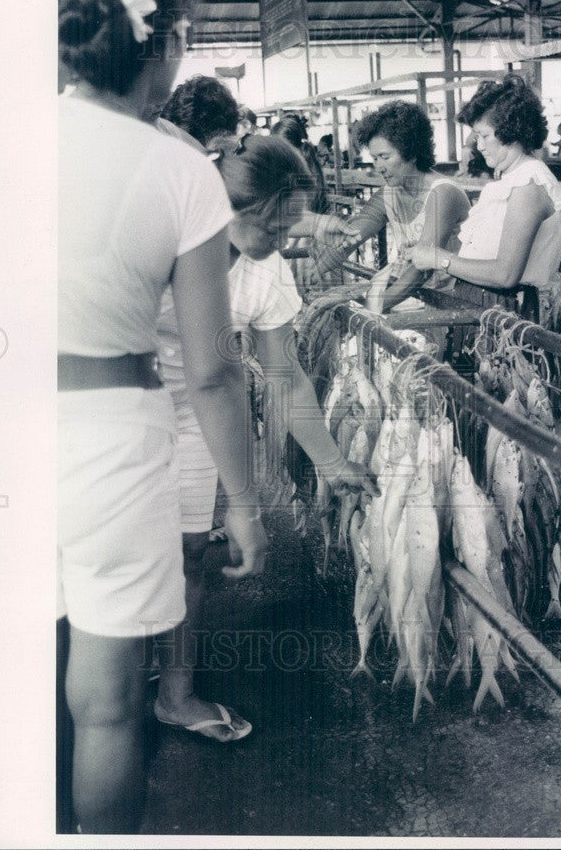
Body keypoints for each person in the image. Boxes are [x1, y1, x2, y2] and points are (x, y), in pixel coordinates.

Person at [57, 0, 264, 834]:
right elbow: (213, 369)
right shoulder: (182, 170)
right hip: (109, 435)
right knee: (104, 703)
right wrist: (247, 503)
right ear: (169, 41)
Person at [153, 133, 377, 738]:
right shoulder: (158, 231)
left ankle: (175, 692)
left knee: (191, 551)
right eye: (274, 229)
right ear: (234, 207)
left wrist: (331, 463)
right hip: (127, 401)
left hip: (205, 412)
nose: (283, 244)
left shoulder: (265, 268)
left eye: (289, 231)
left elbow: (286, 376)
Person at [410, 75, 561, 300]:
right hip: (488, 301)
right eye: (477, 136)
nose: (479, 145)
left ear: (511, 132)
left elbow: (505, 275)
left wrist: (439, 258)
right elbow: (487, 253)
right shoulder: (513, 178)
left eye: (484, 135)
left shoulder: (528, 184)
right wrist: (428, 253)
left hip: (507, 310)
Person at [313, 100, 470, 313]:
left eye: (385, 157)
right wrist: (310, 277)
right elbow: (349, 239)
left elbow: (420, 269)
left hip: (458, 303)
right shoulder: (388, 194)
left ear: (412, 152)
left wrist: (373, 304)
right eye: (374, 158)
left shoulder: (442, 193)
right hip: (423, 300)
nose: (379, 167)